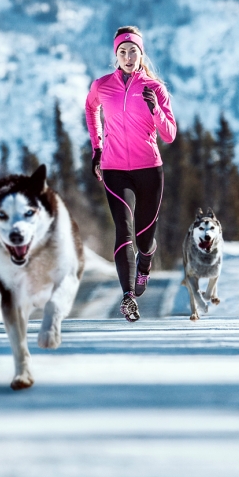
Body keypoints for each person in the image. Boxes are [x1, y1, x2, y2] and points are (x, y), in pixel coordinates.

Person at [85, 26, 177, 322]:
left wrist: (156, 111)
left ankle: (146, 261)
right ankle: (127, 297)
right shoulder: (102, 86)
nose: (127, 56)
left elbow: (170, 134)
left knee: (144, 236)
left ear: (141, 53)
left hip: (149, 169)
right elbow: (90, 109)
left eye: (132, 51)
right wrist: (97, 148)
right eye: (122, 52)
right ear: (116, 55)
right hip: (114, 170)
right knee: (123, 231)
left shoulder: (155, 88)